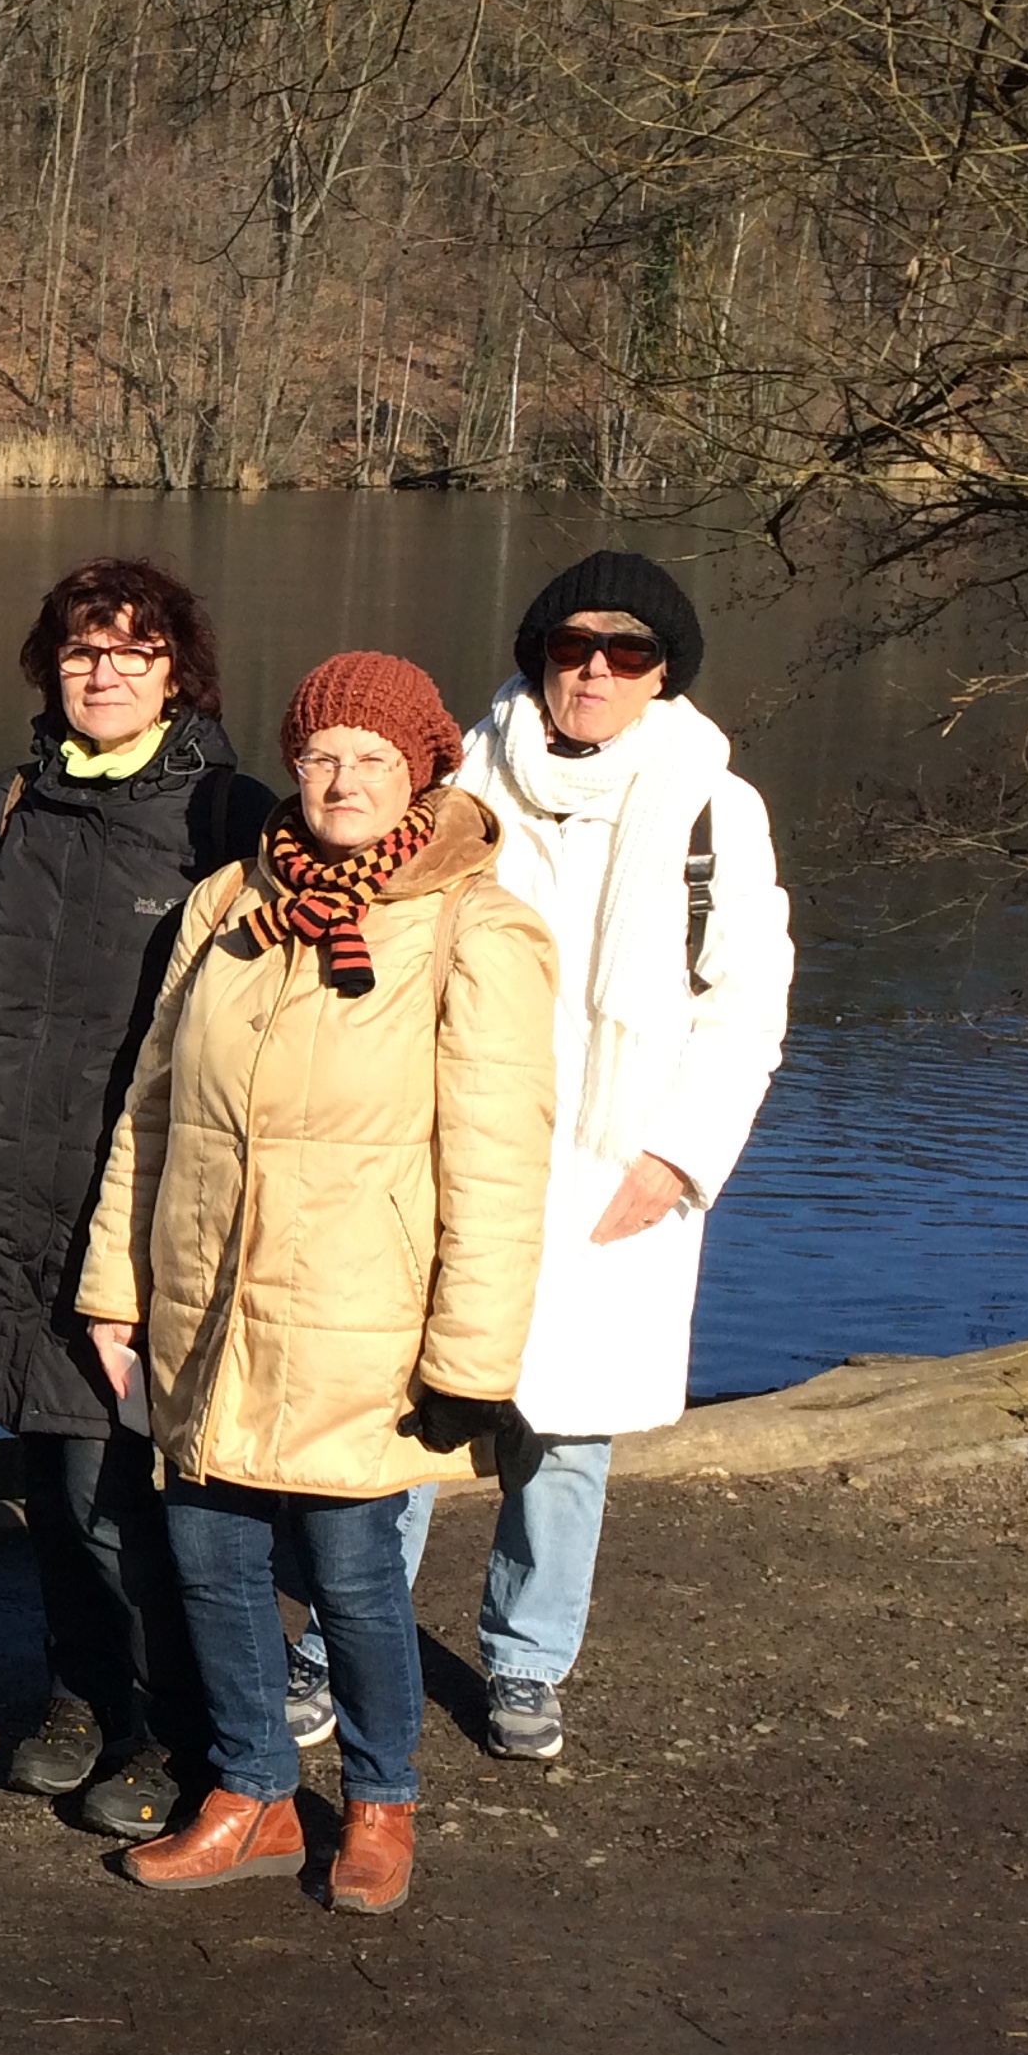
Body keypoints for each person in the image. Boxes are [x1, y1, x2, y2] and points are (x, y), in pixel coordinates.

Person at [287, 554, 792, 1763]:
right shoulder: (460, 779)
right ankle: (340, 1647)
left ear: (664, 673)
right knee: (401, 1407)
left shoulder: (713, 807)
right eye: (574, 648)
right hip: (450, 1148)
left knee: (566, 1436)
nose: (596, 671)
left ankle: (525, 1661)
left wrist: (675, 1159)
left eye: (627, 653)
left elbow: (746, 1004)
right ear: (540, 659)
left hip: (614, 1165)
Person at [76, 652, 557, 1914]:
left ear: (422, 772)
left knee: (351, 1577)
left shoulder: (475, 928)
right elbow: (152, 1110)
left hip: (360, 1324)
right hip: (207, 1302)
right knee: (208, 1556)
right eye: (321, 755)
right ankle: (253, 1795)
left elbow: (499, 1167)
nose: (341, 780)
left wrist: (470, 1362)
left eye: (371, 758)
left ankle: (383, 1800)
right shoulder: (232, 904)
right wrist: (115, 1286)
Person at [0, 559, 273, 1840]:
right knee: (48, 1473)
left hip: (137, 1210)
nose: (105, 672)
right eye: (83, 650)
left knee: (119, 1490)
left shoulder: (229, 817)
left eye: (133, 651)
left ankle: (174, 1731)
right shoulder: (10, 805)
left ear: (178, 671)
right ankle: (79, 1696)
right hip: (6, 1195)